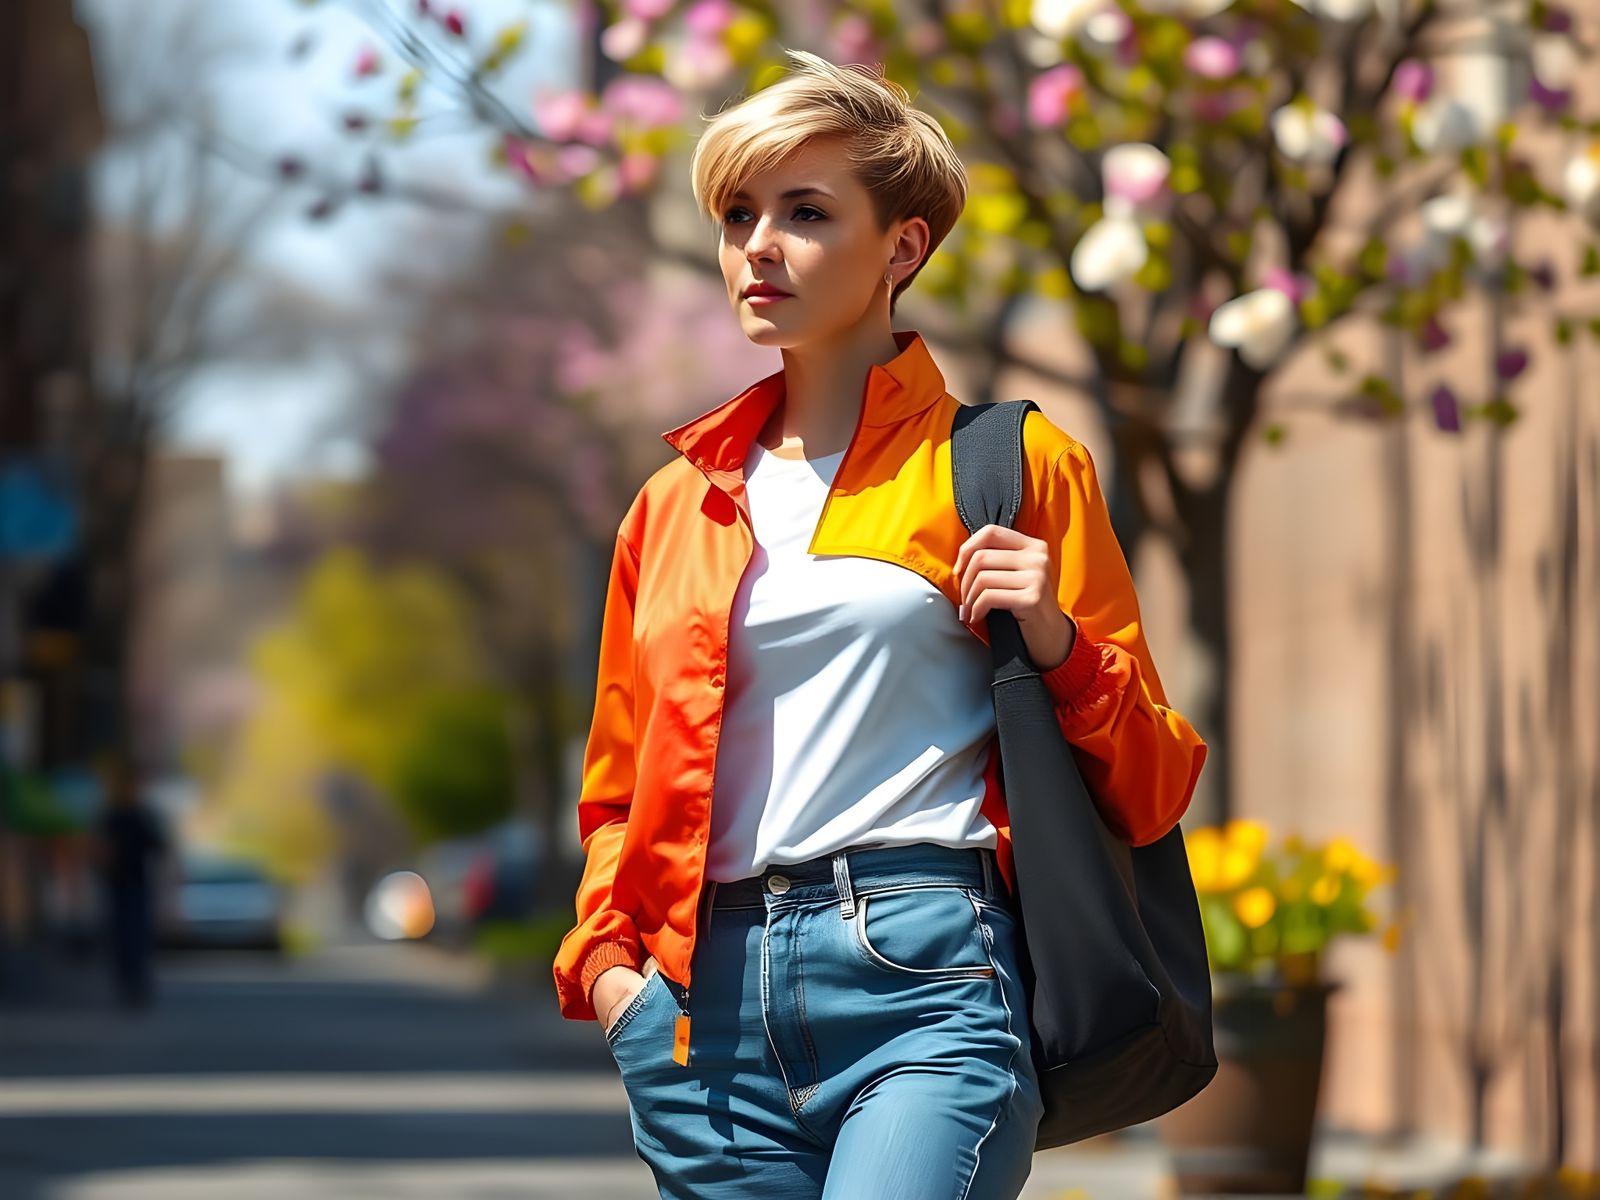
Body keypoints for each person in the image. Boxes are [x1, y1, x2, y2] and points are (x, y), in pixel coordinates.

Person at [552, 48, 1208, 1200]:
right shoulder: (672, 508)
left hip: (926, 974)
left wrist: (1054, 638)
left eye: (805, 213)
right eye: (737, 213)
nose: (757, 245)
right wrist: (616, 980)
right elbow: (616, 791)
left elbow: (1151, 784)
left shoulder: (1005, 467)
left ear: (901, 246)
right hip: (700, 1020)